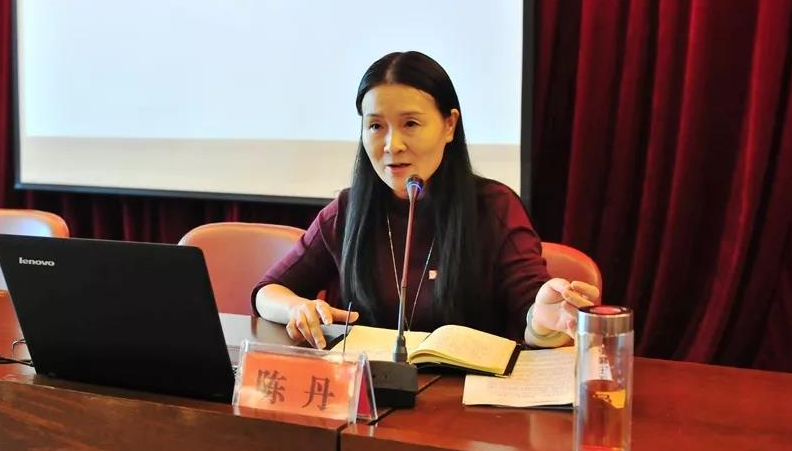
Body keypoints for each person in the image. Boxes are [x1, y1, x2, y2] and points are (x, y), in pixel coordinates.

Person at [252, 51, 598, 349]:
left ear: (449, 125)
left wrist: (543, 321)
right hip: (369, 393)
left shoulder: (493, 208)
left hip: (464, 397)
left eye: (411, 124)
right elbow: (268, 290)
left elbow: (531, 315)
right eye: (375, 126)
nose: (392, 145)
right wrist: (296, 308)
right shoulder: (348, 210)